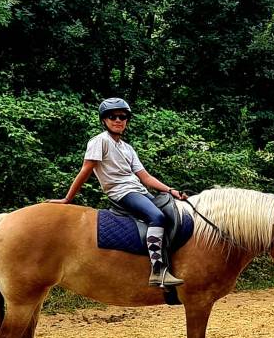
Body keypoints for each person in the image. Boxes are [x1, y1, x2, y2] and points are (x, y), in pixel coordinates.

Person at [49, 98, 187, 288]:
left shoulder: (127, 148)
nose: (118, 120)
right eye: (112, 116)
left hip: (138, 190)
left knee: (172, 213)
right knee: (157, 217)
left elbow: (145, 177)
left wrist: (171, 190)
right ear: (104, 120)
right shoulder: (100, 141)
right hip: (121, 192)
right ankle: (158, 271)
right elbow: (86, 170)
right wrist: (68, 198)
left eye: (122, 117)